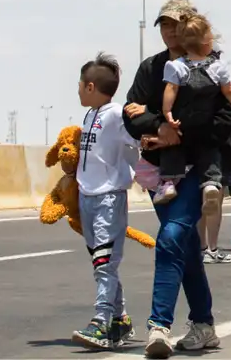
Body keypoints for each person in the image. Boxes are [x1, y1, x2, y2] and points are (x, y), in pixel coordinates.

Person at [122, 0, 231, 358]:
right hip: (161, 171)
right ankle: (204, 325)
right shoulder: (151, 68)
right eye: (163, 25)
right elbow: (130, 113)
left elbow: (225, 120)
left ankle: (158, 326)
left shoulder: (212, 66)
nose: (168, 31)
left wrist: (175, 131)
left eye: (175, 23)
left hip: (198, 169)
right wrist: (157, 125)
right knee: (185, 249)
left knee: (171, 238)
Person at [70, 53, 140, 350]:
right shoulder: (89, 115)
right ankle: (120, 319)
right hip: (87, 197)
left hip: (109, 198)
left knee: (104, 264)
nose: (76, 90)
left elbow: (138, 139)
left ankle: (100, 322)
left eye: (79, 85)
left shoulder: (115, 114)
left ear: (89, 86)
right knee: (102, 262)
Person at [157, 13, 231, 206]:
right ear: (207, 43)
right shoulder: (218, 67)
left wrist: (167, 113)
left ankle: (168, 183)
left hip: (185, 122)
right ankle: (210, 185)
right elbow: (229, 91)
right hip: (208, 122)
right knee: (210, 151)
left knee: (173, 147)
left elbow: (170, 90)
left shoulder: (176, 67)